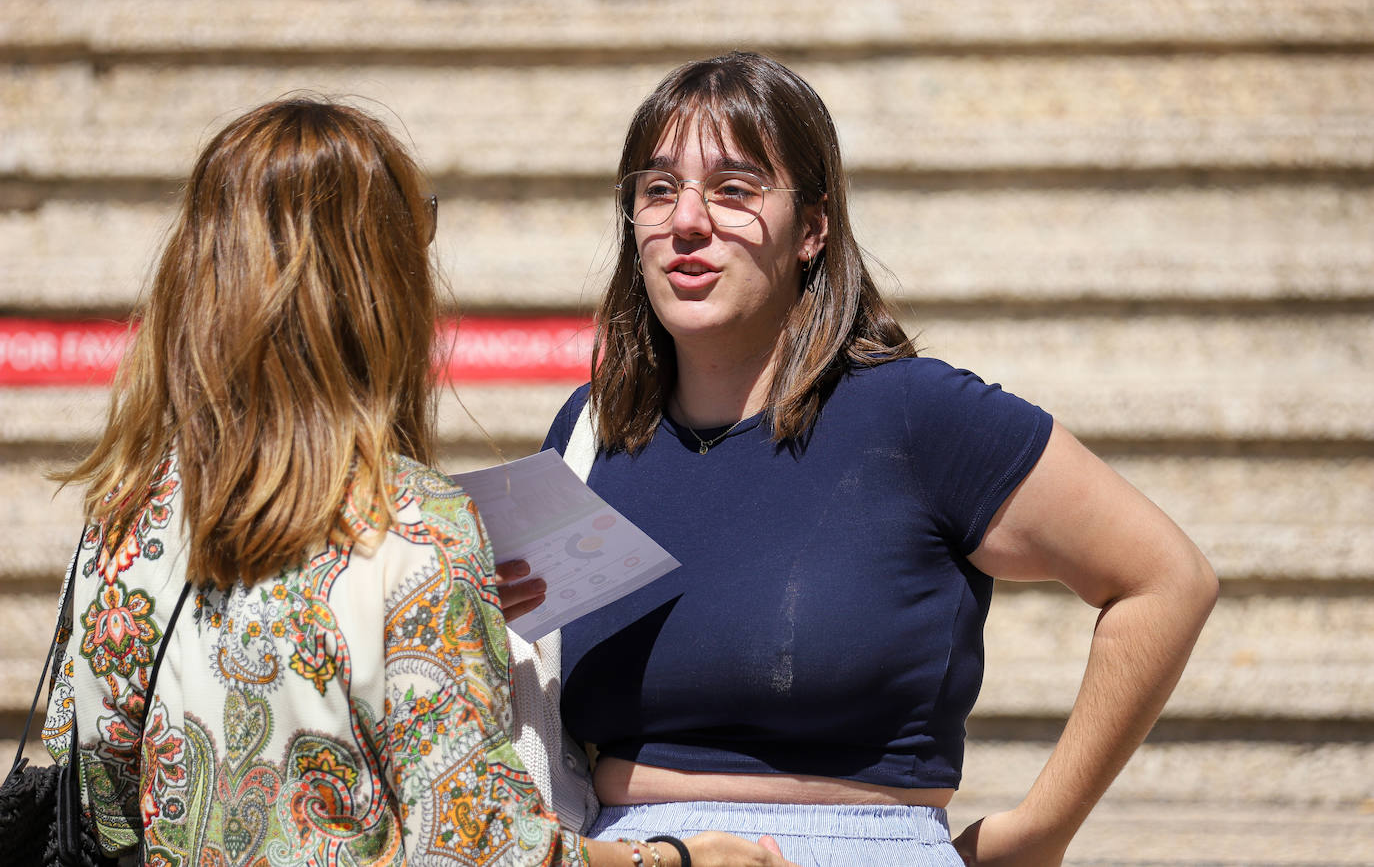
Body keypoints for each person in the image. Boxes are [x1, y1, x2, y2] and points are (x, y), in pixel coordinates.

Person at [40, 97, 798, 867]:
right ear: (378, 281)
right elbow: (478, 849)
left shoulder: (126, 516)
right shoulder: (417, 531)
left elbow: (101, 803)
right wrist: (677, 858)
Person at [506, 51, 1219, 865]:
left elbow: (1167, 579)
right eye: (658, 190)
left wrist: (1037, 832)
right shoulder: (592, 429)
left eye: (734, 189)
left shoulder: (917, 414)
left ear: (813, 228)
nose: (687, 221)